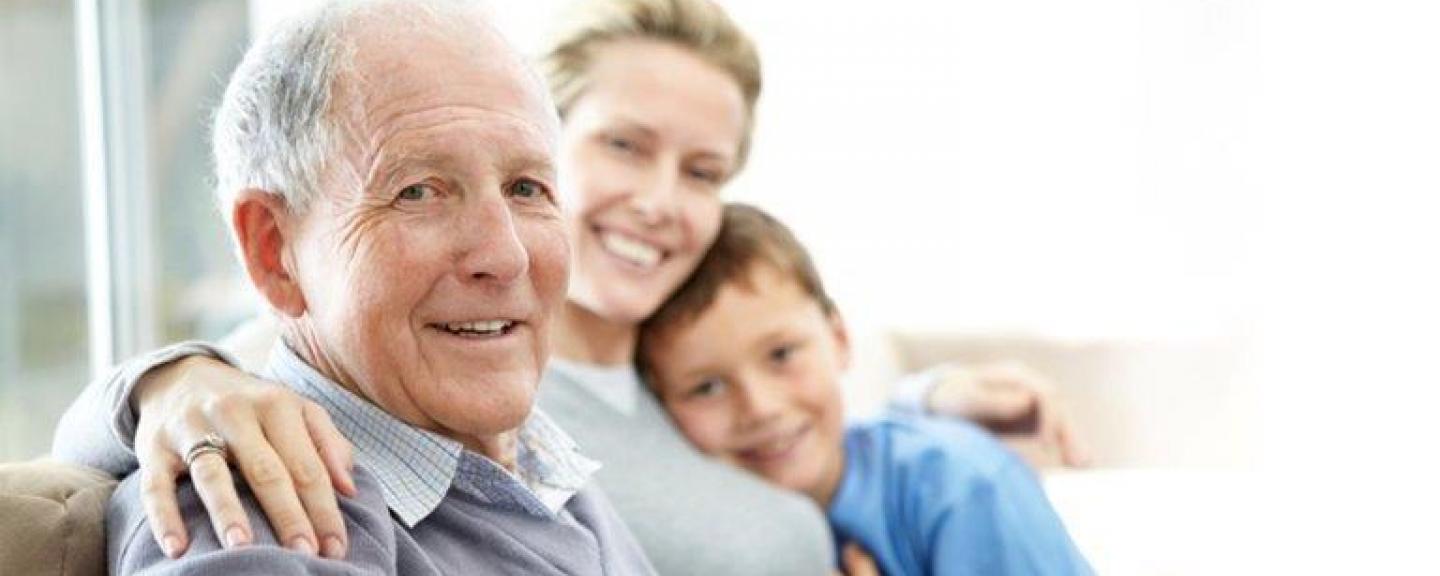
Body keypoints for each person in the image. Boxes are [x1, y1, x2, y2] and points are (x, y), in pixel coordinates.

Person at [54, 0, 1085, 573]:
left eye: (703, 172)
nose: (658, 202)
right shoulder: (372, 404)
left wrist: (929, 396)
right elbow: (245, 377)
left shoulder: (654, 378)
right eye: (422, 189)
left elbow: (814, 410)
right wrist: (163, 382)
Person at [102, 0, 658, 573]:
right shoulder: (249, 521)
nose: (506, 255)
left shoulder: (540, 464)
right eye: (418, 191)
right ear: (274, 252)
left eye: (525, 187)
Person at [639, 203, 1095, 575]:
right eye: (707, 387)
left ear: (838, 339)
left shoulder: (965, 489)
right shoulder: (701, 535)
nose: (760, 408)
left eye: (781, 355)